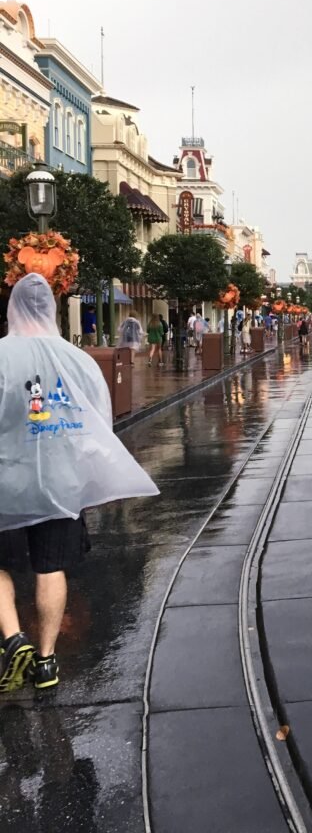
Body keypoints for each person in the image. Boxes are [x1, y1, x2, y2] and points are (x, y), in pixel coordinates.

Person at [0, 274, 159, 692]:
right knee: (50, 567)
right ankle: (48, 660)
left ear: (12, 309)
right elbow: (98, 424)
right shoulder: (80, 360)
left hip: (7, 480)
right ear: (52, 310)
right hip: (61, 483)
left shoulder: (1, 356)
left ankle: (15, 637)